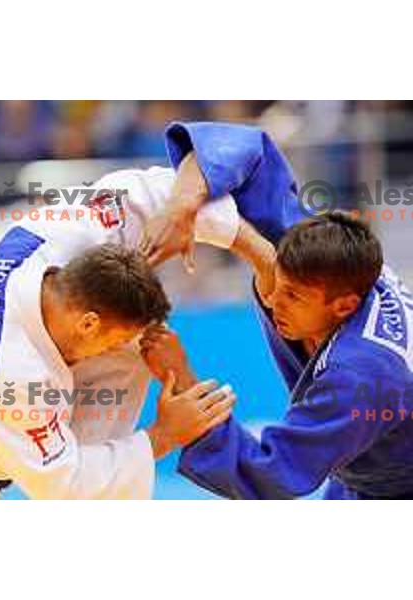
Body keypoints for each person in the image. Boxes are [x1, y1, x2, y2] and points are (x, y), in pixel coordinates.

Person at [0, 160, 239, 500]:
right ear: (88, 322)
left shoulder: (48, 238)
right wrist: (165, 435)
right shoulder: (4, 370)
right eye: (118, 338)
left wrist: (259, 253)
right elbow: (62, 484)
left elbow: (147, 190)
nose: (122, 347)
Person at [140, 120, 413, 499]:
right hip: (361, 466)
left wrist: (180, 376)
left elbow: (271, 473)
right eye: (277, 284)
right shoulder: (320, 254)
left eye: (293, 297)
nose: (273, 301)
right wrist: (181, 207)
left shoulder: (360, 375)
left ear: (344, 306)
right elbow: (247, 148)